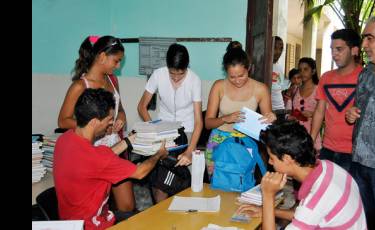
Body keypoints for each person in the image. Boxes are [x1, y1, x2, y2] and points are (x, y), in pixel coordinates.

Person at [54, 88, 168, 230]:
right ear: (95, 122)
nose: (110, 124)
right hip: (94, 226)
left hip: (71, 222)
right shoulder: (97, 158)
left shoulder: (64, 140)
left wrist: (128, 140)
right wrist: (158, 154)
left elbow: (101, 158)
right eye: (109, 120)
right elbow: (140, 172)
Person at [57, 35, 136, 217]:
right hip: (91, 150)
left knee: (127, 204)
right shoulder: (80, 86)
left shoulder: (112, 80)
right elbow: (63, 120)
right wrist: (96, 126)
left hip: (115, 146)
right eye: (116, 61)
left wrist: (120, 118)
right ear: (101, 57)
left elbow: (120, 108)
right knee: (95, 204)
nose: (117, 66)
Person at [238, 120, 367, 230]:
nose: (270, 162)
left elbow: (310, 209)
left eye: (272, 158)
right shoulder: (328, 166)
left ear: (287, 159)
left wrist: (268, 196)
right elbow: (304, 213)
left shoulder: (317, 198)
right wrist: (265, 211)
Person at [137, 43, 203, 202]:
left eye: (180, 74)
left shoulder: (194, 80)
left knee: (188, 179)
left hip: (186, 131)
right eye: (172, 73)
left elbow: (199, 121)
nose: (175, 78)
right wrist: (154, 130)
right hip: (163, 131)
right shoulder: (158, 75)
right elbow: (142, 107)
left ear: (187, 68)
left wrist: (189, 151)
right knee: (160, 180)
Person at [204, 46, 276, 177]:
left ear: (249, 68)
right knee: (218, 181)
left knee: (242, 182)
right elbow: (208, 123)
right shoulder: (219, 86)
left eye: (241, 75)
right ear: (226, 72)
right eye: (232, 77)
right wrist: (225, 118)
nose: (237, 80)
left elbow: (267, 126)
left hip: (245, 143)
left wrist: (271, 118)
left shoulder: (260, 89)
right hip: (218, 141)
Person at [310, 29, 363, 172]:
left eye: (339, 49)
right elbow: (319, 111)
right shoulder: (326, 77)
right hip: (327, 149)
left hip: (355, 152)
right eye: (332, 49)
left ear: (354, 50)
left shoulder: (365, 77)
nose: (334, 54)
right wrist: (311, 140)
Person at [345, 15, 375, 230]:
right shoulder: (365, 75)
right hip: (359, 162)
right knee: (365, 221)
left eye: (370, 38)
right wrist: (351, 114)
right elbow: (358, 109)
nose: (364, 45)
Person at [286, 58, 321, 151]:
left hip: (312, 133)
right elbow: (290, 111)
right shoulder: (295, 89)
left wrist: (313, 114)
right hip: (295, 135)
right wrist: (291, 116)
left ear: (313, 71)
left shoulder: (319, 90)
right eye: (300, 70)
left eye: (306, 69)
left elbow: (326, 113)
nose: (302, 72)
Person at [271, 36, 286, 113]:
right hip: (267, 109)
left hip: (279, 108)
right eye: (275, 48)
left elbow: (281, 86)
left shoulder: (279, 67)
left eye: (281, 49)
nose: (278, 52)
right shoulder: (262, 66)